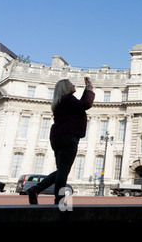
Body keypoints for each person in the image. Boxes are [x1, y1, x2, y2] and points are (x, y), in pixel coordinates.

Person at [27, 77, 95, 205]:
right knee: (63, 171)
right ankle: (59, 200)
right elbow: (85, 105)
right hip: (68, 137)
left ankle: (35, 190)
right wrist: (90, 91)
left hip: (57, 137)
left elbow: (79, 106)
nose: (74, 85)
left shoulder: (61, 101)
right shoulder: (68, 99)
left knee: (61, 170)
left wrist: (86, 90)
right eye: (71, 84)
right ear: (65, 88)